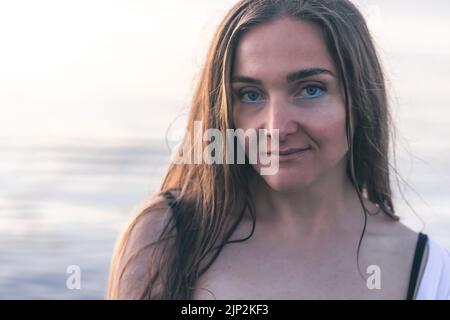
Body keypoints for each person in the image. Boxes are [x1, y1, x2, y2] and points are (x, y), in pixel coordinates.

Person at [107, 0, 450, 300]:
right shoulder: (169, 234)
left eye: (310, 90)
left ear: (359, 100)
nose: (275, 128)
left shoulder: (428, 272)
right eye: (250, 95)